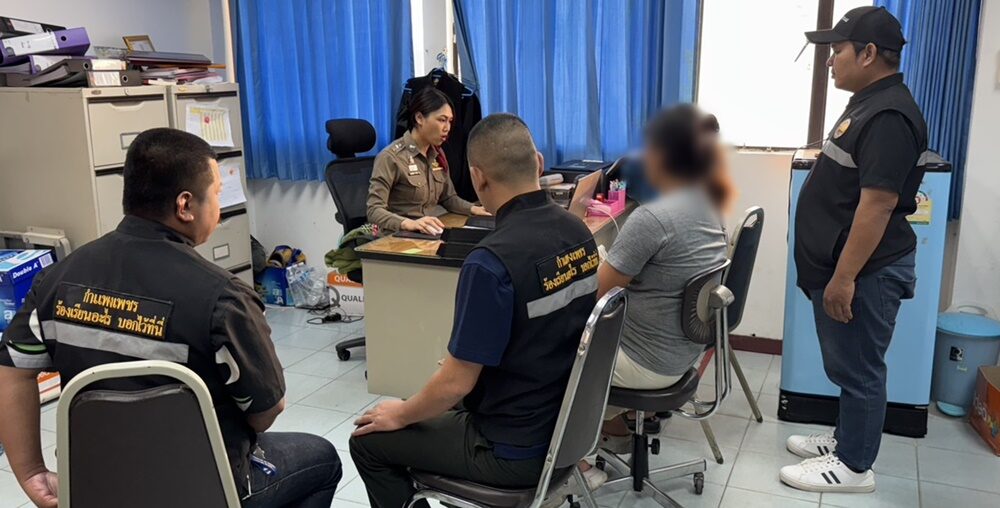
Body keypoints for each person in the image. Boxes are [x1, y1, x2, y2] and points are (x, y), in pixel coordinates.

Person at [0, 128, 342, 508]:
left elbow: (12, 371)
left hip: (95, 483)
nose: (219, 206)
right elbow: (265, 413)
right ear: (185, 205)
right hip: (203, 486)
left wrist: (31, 472)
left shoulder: (56, 280)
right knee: (323, 460)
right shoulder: (223, 297)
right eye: (217, 194)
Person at [348, 113, 600, 508]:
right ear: (538, 163)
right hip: (568, 432)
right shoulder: (577, 231)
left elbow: (455, 385)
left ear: (478, 178)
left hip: (510, 449)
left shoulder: (489, 262)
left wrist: (400, 414)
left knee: (368, 441)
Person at [780, 6, 926, 494]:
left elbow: (877, 205)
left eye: (837, 50)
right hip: (850, 266)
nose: (829, 60)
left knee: (861, 368)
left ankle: (854, 466)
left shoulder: (888, 116)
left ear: (868, 54)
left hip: (868, 271)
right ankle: (846, 439)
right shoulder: (868, 102)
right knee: (848, 365)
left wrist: (843, 278)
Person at [554, 104, 731, 498]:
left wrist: (584, 234)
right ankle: (612, 426)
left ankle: (575, 463)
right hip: (684, 353)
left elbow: (598, 293)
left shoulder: (654, 218)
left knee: (545, 349)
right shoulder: (707, 205)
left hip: (647, 362)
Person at [367, 87, 489, 235]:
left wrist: (474, 209)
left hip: (428, 233)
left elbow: (448, 198)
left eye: (450, 121)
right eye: (442, 120)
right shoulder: (391, 157)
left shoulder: (437, 154)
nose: (447, 128)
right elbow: (374, 210)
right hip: (397, 236)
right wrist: (409, 223)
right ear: (419, 118)